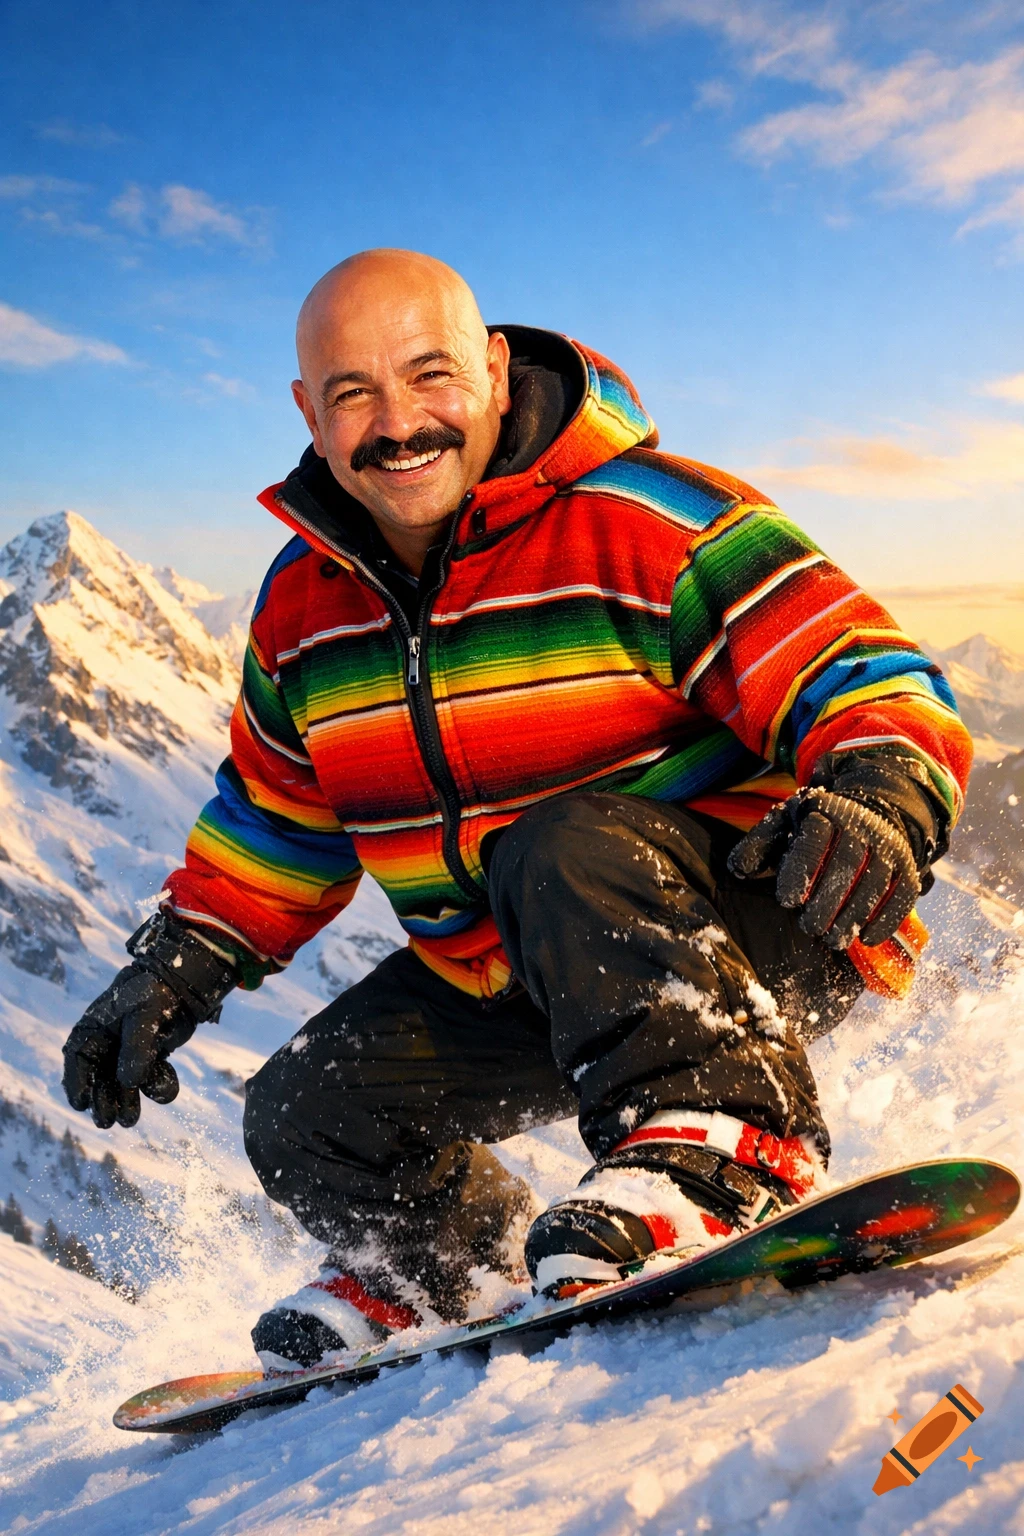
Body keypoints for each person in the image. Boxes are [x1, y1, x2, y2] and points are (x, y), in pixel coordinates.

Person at [61, 249, 972, 1370]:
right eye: (353, 393)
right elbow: (279, 817)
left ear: (494, 370)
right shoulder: (304, 606)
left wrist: (879, 793)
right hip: (529, 968)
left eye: (429, 375)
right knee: (304, 1109)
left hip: (764, 910)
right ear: (309, 414)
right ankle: (443, 1264)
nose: (399, 424)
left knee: (559, 844)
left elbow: (864, 673)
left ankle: (730, 1145)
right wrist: (176, 967)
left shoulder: (648, 520)